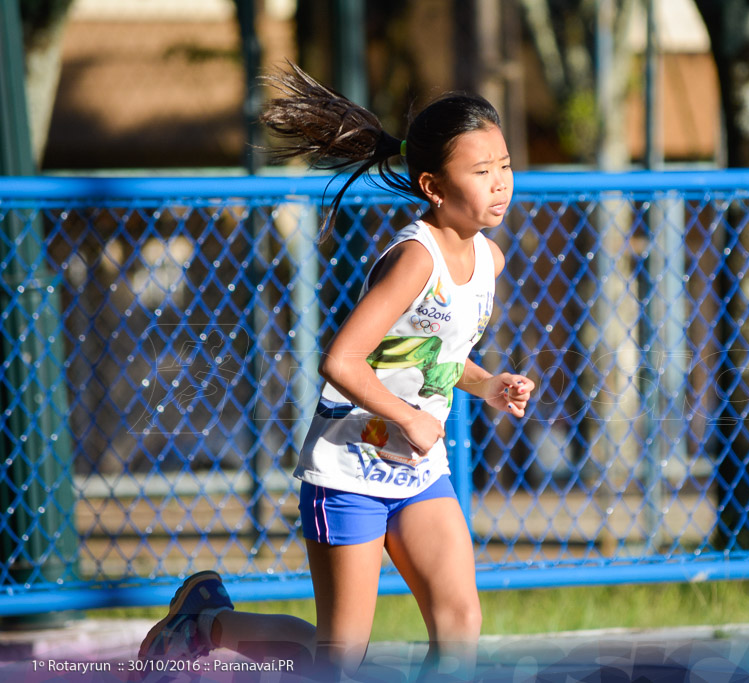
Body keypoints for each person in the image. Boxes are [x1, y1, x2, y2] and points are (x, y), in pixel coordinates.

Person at [138, 61, 535, 681]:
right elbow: (342, 361)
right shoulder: (412, 259)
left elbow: (431, 356)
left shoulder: (490, 259)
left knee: (460, 624)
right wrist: (407, 415)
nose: (501, 184)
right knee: (339, 659)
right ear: (432, 185)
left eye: (505, 165)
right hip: (349, 472)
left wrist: (487, 385)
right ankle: (205, 624)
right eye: (481, 172)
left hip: (418, 469)